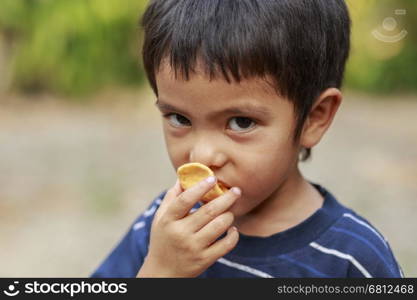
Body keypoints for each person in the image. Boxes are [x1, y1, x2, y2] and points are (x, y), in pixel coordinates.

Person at [91, 0, 403, 278]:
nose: (201, 155)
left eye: (240, 123)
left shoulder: (352, 259)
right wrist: (161, 271)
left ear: (314, 117)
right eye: (179, 118)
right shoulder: (164, 229)